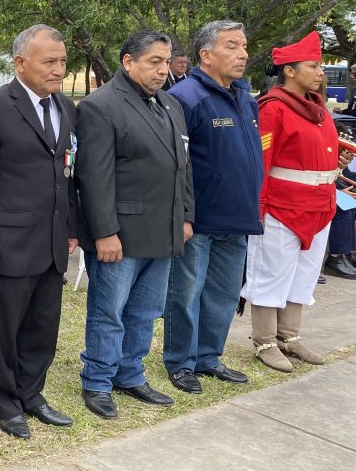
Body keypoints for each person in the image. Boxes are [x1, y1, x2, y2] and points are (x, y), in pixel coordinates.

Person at [0, 24, 78, 439]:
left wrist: (71, 227)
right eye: (49, 62)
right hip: (8, 241)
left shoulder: (66, 107)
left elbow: (68, 172)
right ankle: (6, 401)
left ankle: (32, 393)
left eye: (62, 61)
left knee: (43, 325)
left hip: (52, 238)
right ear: (21, 63)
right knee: (4, 329)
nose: (59, 70)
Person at [76, 29, 194, 419]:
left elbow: (183, 167)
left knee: (145, 311)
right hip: (120, 235)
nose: (162, 70)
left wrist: (186, 216)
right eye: (154, 62)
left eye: (166, 62)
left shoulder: (170, 104)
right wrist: (104, 232)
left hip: (163, 229)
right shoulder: (100, 106)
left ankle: (129, 373)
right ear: (128, 61)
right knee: (109, 312)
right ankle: (98, 380)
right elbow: (94, 178)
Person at [162, 21, 262, 393]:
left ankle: (208, 357)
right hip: (199, 218)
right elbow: (177, 163)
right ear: (206, 55)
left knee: (223, 294)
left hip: (237, 217)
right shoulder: (185, 97)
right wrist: (183, 214)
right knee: (186, 293)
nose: (243, 54)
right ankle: (180, 362)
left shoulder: (245, 97)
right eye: (232, 46)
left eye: (244, 46)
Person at [241, 31, 350, 372]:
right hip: (282, 207)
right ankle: (265, 340)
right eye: (313, 66)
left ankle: (289, 336)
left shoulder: (317, 108)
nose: (320, 72)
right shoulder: (273, 108)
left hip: (319, 206)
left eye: (320, 66)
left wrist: (335, 163)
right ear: (289, 71)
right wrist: (258, 210)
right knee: (271, 273)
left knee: (303, 274)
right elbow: (262, 162)